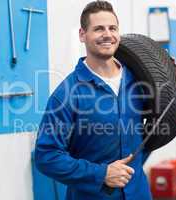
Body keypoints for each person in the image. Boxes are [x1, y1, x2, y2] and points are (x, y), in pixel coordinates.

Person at [35, 1, 152, 199]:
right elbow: (46, 156)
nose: (107, 34)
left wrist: (169, 73)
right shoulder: (66, 94)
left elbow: (160, 121)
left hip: (138, 192)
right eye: (98, 29)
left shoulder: (139, 80)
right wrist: (102, 174)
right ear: (82, 35)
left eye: (112, 28)